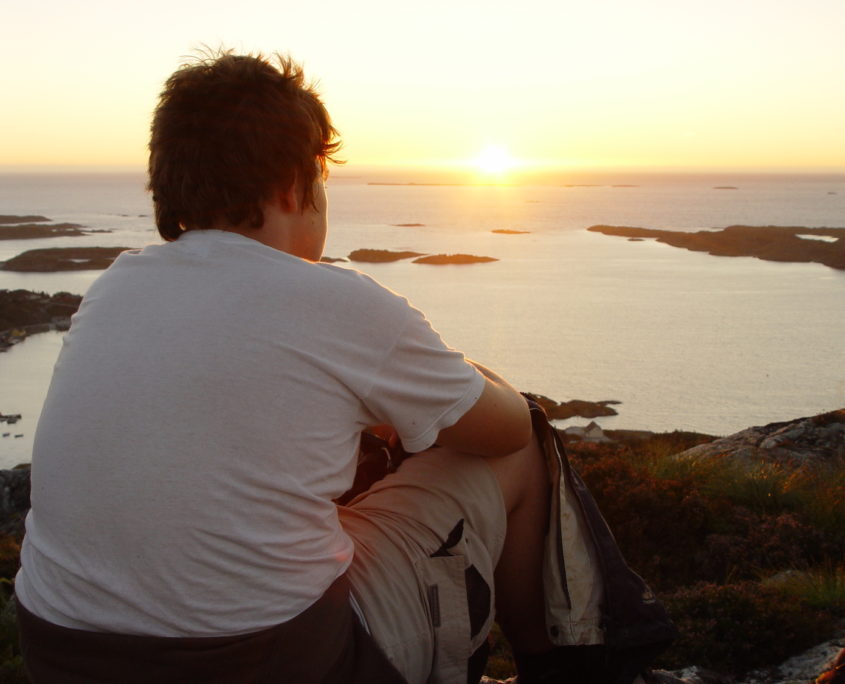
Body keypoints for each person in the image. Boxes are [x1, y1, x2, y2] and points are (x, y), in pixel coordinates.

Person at [14, 51, 670, 684]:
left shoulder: (115, 286)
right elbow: (506, 429)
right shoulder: (333, 301)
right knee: (519, 449)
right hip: (277, 664)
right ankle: (553, 668)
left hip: (65, 657)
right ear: (293, 183)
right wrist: (439, 377)